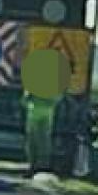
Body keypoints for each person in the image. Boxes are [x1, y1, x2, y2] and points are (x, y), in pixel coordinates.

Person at [22, 47, 71, 177]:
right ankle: (42, 166)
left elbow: (26, 97)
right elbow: (58, 97)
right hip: (48, 113)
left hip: (34, 113)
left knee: (33, 142)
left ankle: (33, 166)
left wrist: (28, 103)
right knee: (44, 142)